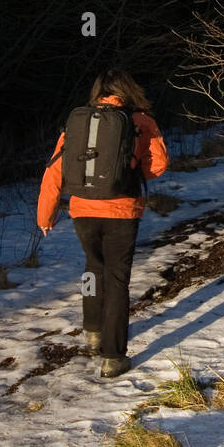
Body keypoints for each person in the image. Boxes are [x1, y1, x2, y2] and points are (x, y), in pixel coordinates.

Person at [37, 69, 169, 378]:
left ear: (98, 91)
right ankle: (113, 357)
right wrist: (129, 175)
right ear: (128, 90)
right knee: (117, 278)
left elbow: (55, 169)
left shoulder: (79, 121)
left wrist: (45, 215)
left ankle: (93, 333)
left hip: (82, 210)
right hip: (121, 210)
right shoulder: (140, 121)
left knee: (93, 267)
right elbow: (160, 164)